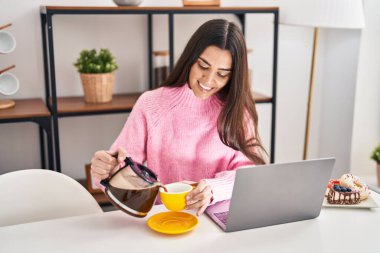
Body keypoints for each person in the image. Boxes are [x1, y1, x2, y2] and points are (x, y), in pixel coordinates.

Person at [91, 19, 267, 216]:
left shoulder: (238, 112)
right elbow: (119, 169)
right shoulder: (152, 104)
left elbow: (248, 173)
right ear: (190, 59)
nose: (209, 80)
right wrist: (105, 169)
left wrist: (212, 188)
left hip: (217, 219)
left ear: (233, 76)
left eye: (222, 74)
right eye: (203, 66)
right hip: (164, 217)